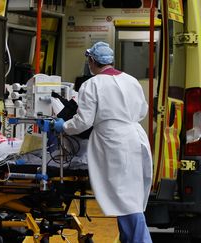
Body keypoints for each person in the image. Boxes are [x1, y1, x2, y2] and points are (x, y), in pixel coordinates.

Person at [54, 42, 153, 243]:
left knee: (124, 198)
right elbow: (142, 110)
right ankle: (131, 239)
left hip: (113, 142)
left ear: (91, 61)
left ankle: (139, 240)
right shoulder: (131, 80)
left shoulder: (91, 84)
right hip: (135, 137)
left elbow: (84, 121)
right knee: (129, 195)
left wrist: (63, 126)